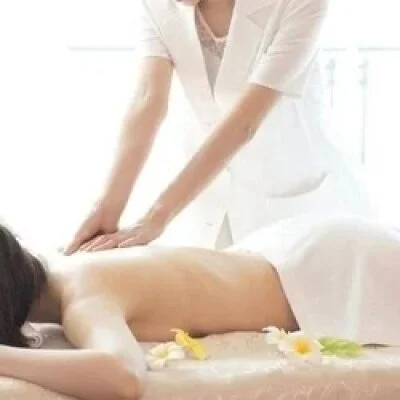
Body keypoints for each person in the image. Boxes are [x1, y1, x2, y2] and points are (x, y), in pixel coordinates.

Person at [65, 0, 369, 254]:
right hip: (203, 199)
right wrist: (108, 207)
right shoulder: (157, 4)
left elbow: (244, 123)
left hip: (290, 199)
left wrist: (155, 217)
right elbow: (148, 100)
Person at [1, 214, 400, 399]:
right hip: (299, 248)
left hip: (327, 274)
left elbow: (122, 377)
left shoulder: (84, 298)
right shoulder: (70, 269)